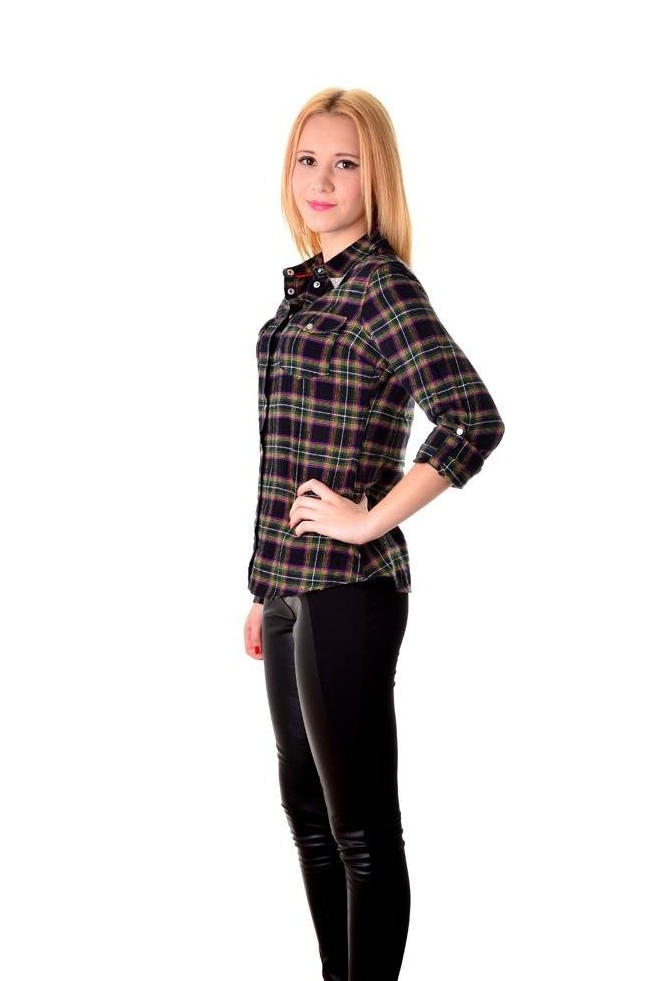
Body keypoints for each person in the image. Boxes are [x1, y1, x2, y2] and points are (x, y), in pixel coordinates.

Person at [242, 88, 505, 981]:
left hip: (350, 590)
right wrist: (263, 588)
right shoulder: (309, 290)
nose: (321, 179)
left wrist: (367, 518)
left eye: (344, 163)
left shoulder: (380, 286)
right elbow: (286, 453)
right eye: (307, 160)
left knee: (359, 828)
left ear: (374, 177)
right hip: (289, 586)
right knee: (309, 817)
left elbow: (471, 419)